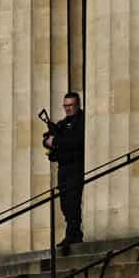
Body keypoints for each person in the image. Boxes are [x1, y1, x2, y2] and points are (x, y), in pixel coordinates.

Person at [42, 91, 85, 246]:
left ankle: (74, 234)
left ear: (78, 105)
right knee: (65, 203)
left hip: (75, 166)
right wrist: (49, 142)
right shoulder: (62, 124)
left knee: (73, 201)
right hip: (64, 167)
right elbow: (47, 139)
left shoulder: (82, 121)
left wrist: (57, 141)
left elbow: (77, 141)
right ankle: (72, 233)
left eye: (70, 105)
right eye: (65, 106)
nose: (67, 109)